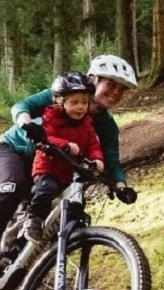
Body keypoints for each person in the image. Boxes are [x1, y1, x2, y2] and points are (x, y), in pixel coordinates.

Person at [0, 54, 138, 284]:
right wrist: (25, 121)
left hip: (52, 168)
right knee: (12, 187)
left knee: (49, 223)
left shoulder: (106, 126)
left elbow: (112, 161)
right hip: (15, 152)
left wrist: (121, 185)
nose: (116, 92)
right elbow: (23, 106)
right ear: (93, 79)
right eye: (111, 84)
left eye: (121, 89)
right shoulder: (63, 93)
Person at [22, 71, 105, 242]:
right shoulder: (52, 117)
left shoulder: (87, 124)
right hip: (47, 168)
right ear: (61, 101)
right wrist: (65, 145)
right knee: (47, 189)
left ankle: (68, 236)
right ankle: (33, 220)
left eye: (84, 102)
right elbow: (46, 137)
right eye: (74, 102)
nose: (81, 107)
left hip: (67, 174)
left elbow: (93, 145)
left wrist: (97, 160)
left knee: (75, 201)